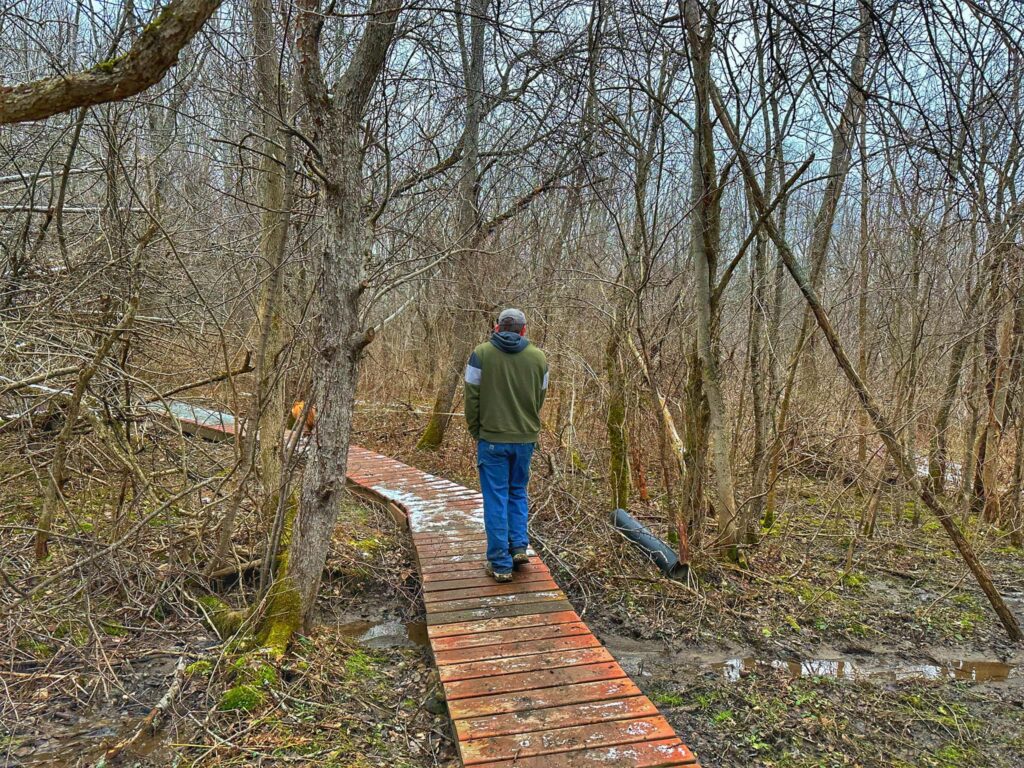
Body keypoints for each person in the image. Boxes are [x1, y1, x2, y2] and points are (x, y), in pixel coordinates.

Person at [464, 308, 549, 582]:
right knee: (517, 492)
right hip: (525, 439)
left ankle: (500, 563)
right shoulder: (539, 358)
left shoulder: (481, 354)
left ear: (497, 327)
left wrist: (477, 430)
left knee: (496, 498)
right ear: (524, 330)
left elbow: (471, 398)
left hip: (492, 440)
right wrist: (527, 426)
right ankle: (518, 547)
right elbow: (540, 397)